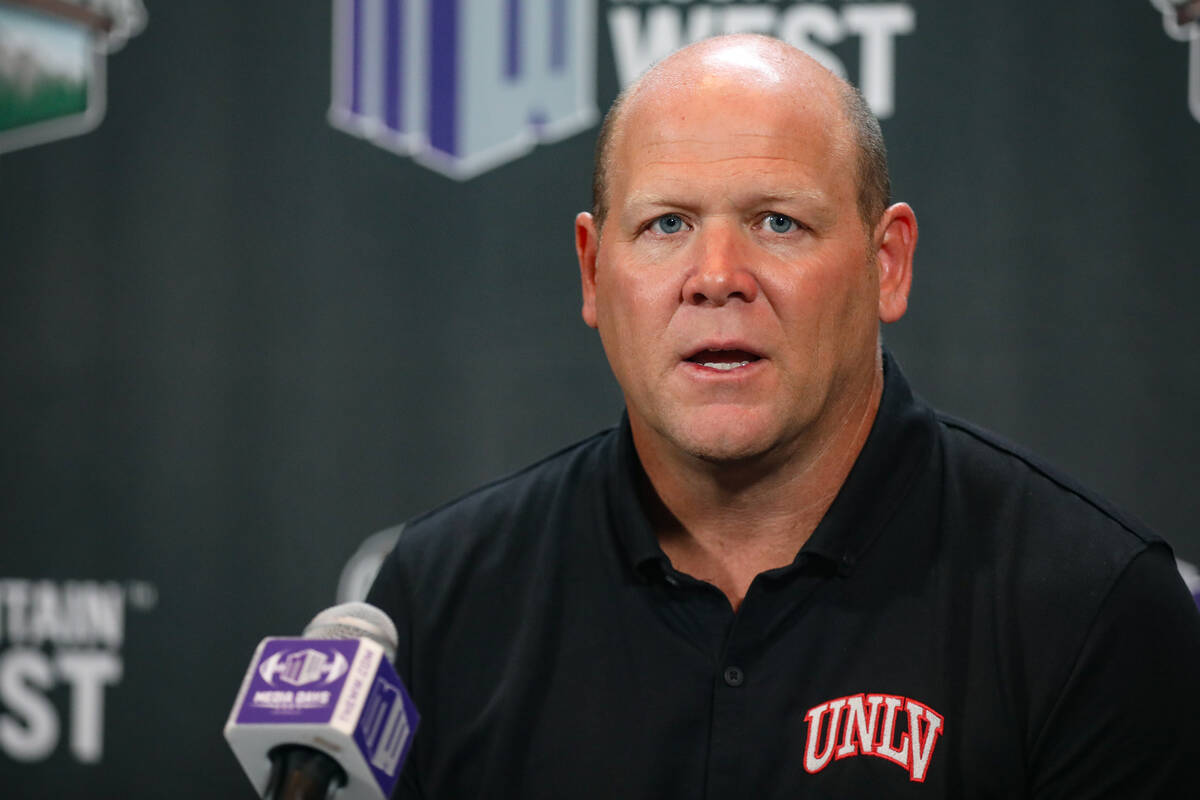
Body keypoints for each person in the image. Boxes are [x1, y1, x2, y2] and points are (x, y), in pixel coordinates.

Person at [367, 34, 1200, 798]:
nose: (717, 276)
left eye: (778, 223)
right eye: (666, 224)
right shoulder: (438, 599)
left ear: (888, 262)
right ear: (592, 271)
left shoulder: (1093, 603)